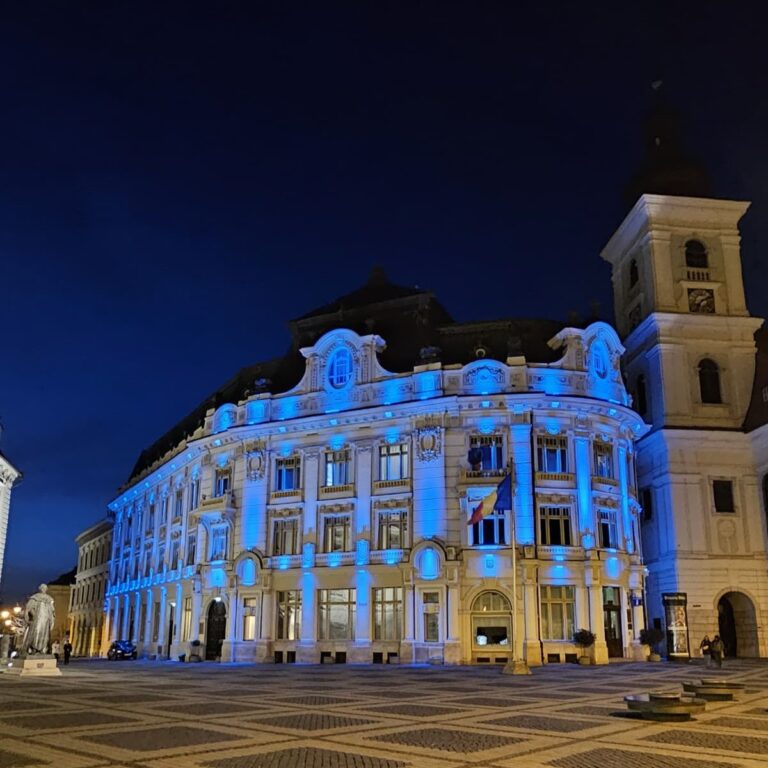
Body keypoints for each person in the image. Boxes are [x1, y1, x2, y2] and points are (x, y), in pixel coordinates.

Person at [21, 584, 56, 656]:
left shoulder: (49, 599)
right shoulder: (35, 597)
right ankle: (33, 649)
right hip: (37, 618)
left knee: (44, 634)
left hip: (46, 620)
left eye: (45, 588)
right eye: (42, 588)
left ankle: (42, 649)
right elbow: (28, 607)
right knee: (35, 632)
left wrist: (52, 618)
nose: (44, 589)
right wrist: (32, 615)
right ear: (40, 589)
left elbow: (52, 610)